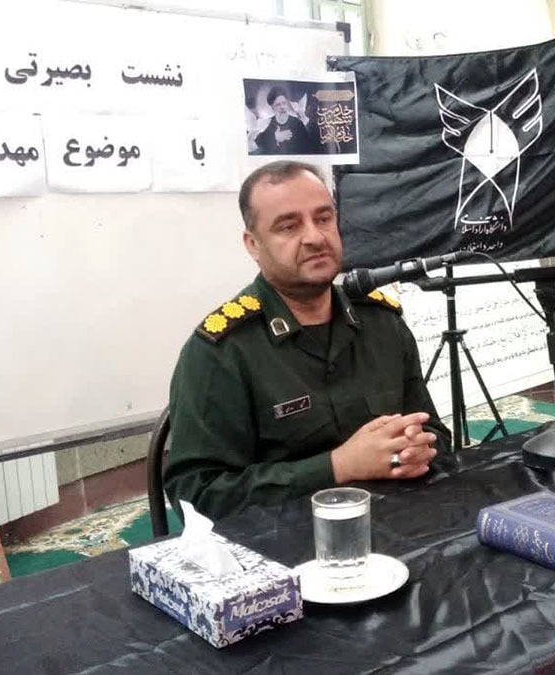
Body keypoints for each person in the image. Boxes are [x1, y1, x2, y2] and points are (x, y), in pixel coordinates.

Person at [164, 160, 453, 521]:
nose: (315, 237)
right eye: (289, 226)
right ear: (253, 244)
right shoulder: (222, 351)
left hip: (397, 523)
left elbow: (434, 433)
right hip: (283, 542)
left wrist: (416, 449)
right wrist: (337, 466)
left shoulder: (383, 324)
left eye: (323, 218)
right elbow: (196, 495)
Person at [253, 85, 318, 155]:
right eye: (278, 104)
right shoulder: (267, 124)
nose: (282, 107)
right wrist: (275, 138)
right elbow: (256, 148)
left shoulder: (297, 123)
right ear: (272, 107)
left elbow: (309, 147)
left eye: (284, 103)